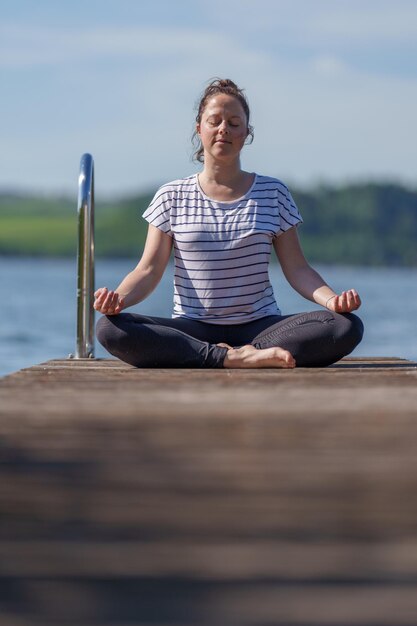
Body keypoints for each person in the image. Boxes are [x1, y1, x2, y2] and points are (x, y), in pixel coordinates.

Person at [95, 78, 363, 369]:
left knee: (345, 326)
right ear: (200, 128)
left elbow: (298, 269)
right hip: (193, 327)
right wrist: (118, 299)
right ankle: (231, 357)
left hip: (261, 327)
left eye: (234, 123)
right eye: (215, 121)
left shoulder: (273, 193)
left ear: (246, 132)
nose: (224, 129)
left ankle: (240, 353)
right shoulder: (171, 195)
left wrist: (331, 301)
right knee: (110, 329)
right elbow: (147, 270)